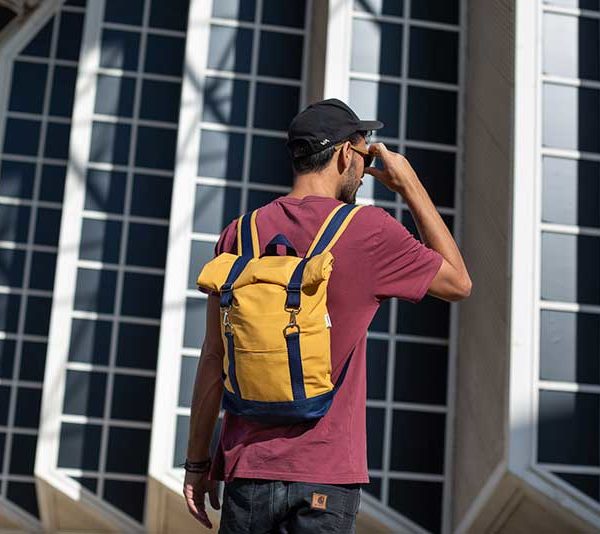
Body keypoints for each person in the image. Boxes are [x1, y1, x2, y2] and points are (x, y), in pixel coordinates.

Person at [182, 98, 472, 532]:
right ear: (344, 154)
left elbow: (212, 359)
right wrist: (409, 184)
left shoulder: (237, 234)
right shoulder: (369, 230)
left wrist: (197, 463)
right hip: (327, 473)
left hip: (248, 468)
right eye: (363, 149)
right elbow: (458, 283)